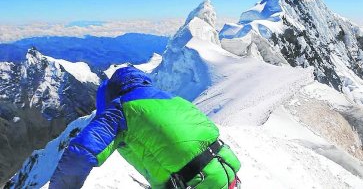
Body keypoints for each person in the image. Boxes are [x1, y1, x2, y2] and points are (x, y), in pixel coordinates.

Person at [50, 66, 241, 189]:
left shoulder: (120, 109)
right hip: (228, 172)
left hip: (197, 183)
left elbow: (80, 153)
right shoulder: (175, 100)